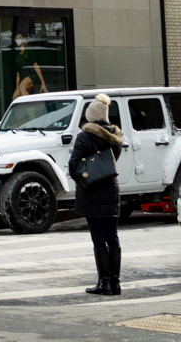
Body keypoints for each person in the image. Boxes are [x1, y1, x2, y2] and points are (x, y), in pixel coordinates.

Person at [70, 94, 125, 297]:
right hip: (111, 190)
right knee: (113, 236)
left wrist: (84, 176)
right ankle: (116, 283)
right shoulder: (115, 137)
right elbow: (111, 162)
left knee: (99, 238)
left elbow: (74, 165)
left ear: (90, 115)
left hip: (92, 192)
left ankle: (104, 283)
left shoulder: (84, 136)